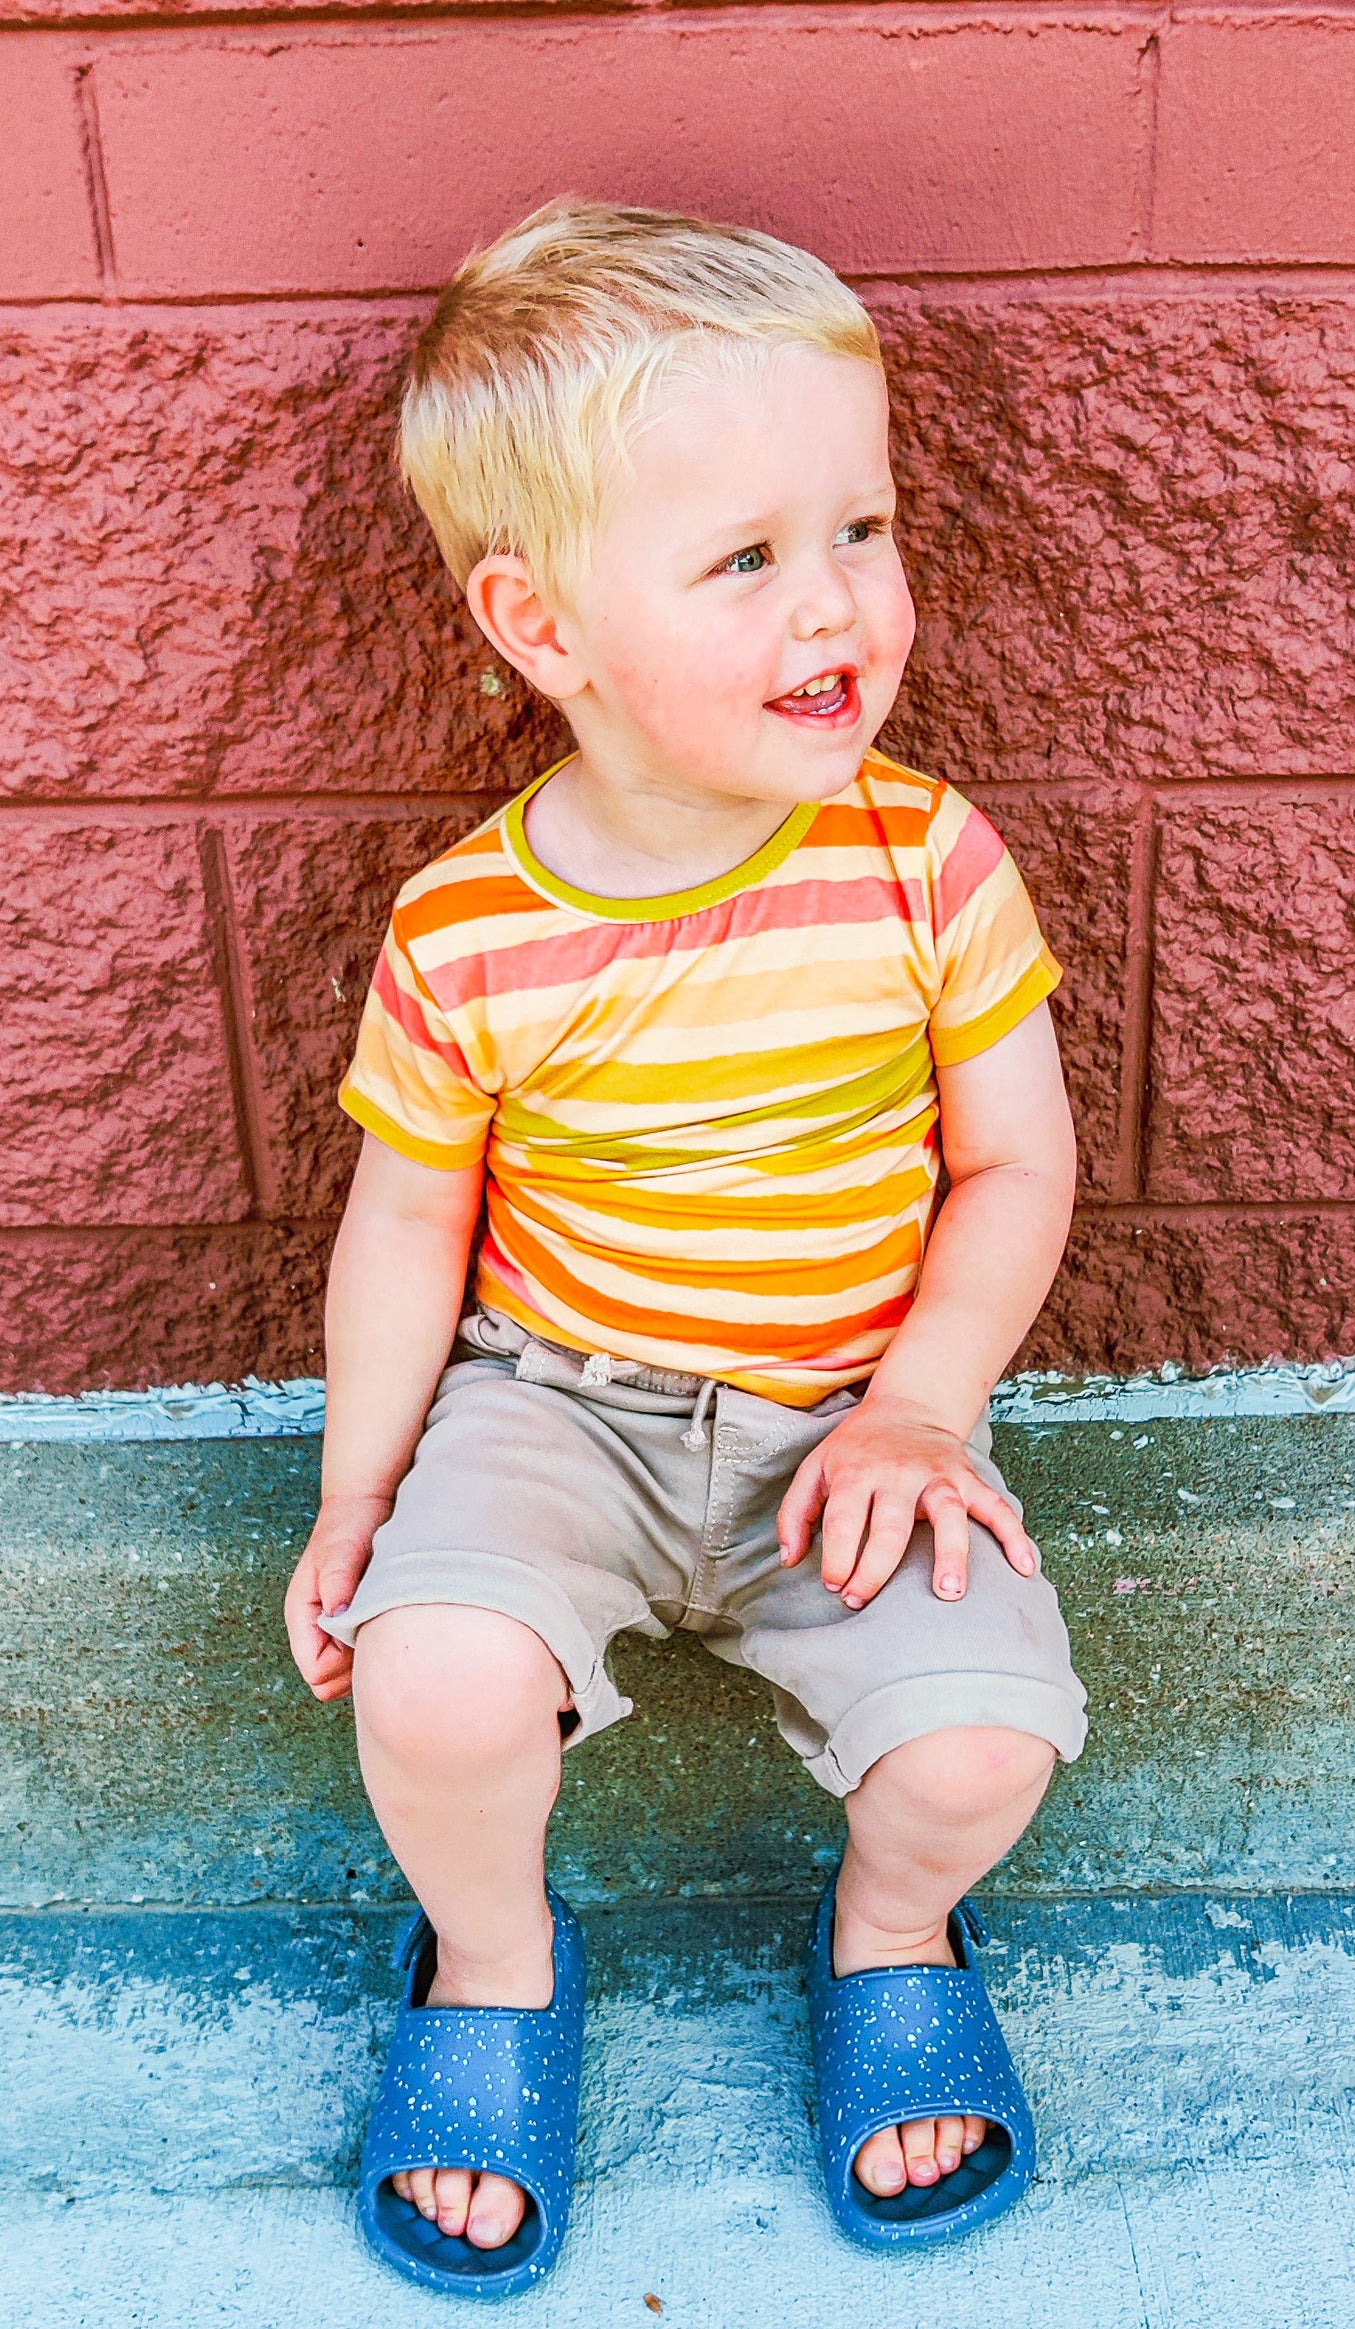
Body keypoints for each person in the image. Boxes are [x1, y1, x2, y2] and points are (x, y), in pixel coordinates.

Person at [284, 197, 1086, 2299]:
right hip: (562, 1407)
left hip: (856, 1409)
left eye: (862, 527)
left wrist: (927, 1397)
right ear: (541, 624)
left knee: (982, 1742)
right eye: (746, 560)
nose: (840, 604)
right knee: (433, 1670)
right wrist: (363, 1491)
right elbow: (407, 1216)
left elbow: (1014, 1165)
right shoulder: (470, 931)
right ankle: (490, 1963)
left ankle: (894, 1932)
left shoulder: (928, 862)